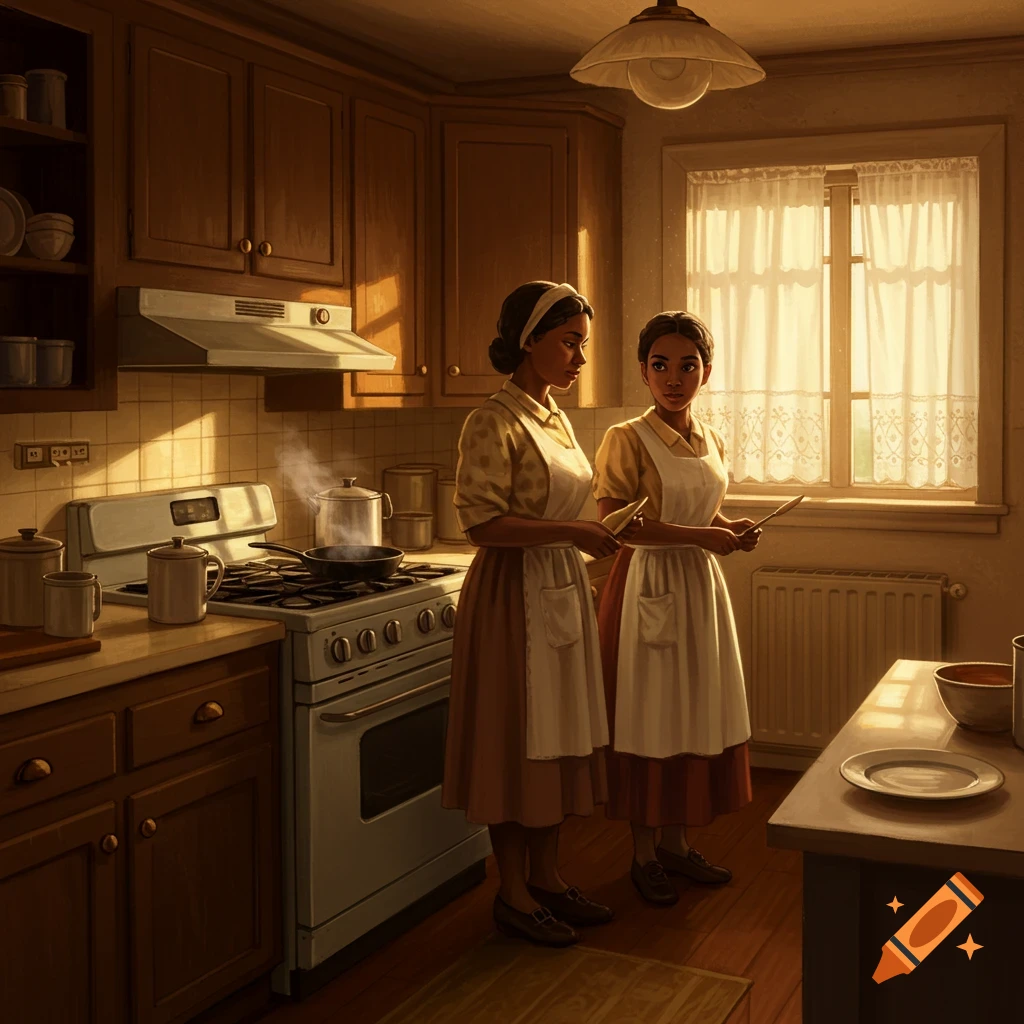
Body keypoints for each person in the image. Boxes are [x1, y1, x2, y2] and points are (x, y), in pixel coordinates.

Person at [442, 281, 638, 947]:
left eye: (583, 342)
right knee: (516, 742)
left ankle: (550, 876)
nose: (580, 356)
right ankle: (514, 892)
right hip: (511, 597)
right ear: (530, 342)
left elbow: (564, 508)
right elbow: (483, 524)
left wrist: (591, 531)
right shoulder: (492, 420)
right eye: (569, 342)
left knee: (560, 736)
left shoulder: (553, 415)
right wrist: (573, 535)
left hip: (558, 586)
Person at [593, 311, 760, 907]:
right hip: (647, 588)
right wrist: (702, 538)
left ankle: (677, 844)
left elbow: (701, 513)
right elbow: (620, 524)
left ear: (706, 372)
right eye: (660, 364)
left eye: (687, 365)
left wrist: (727, 527)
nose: (673, 377)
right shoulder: (625, 438)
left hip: (699, 590)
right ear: (643, 371)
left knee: (692, 707)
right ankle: (643, 853)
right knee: (649, 712)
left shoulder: (709, 437)